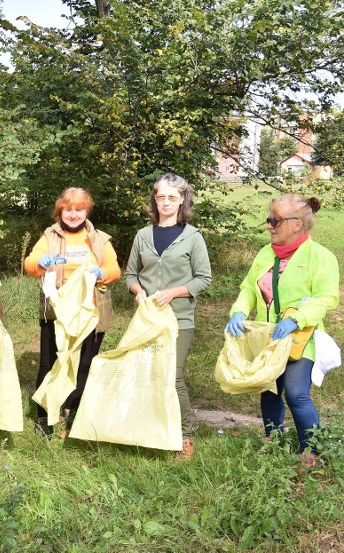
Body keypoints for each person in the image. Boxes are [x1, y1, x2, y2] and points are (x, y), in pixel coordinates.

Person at [225, 194, 339, 465]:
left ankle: (310, 451)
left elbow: (327, 298)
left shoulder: (321, 257)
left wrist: (297, 319)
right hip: (269, 337)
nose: (270, 226)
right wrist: (239, 310)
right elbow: (248, 288)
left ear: (297, 224)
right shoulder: (265, 253)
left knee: (296, 393)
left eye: (275, 220)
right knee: (269, 390)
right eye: (269, 219)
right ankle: (272, 440)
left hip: (301, 338)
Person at [125, 173, 212, 460]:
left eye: (172, 197)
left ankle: (184, 437)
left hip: (180, 319)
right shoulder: (143, 235)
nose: (165, 202)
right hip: (148, 319)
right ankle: (149, 431)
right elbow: (130, 274)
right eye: (161, 196)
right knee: (145, 375)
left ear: (182, 200)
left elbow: (204, 278)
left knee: (173, 377)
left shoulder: (193, 237)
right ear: (154, 199)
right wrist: (138, 291)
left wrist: (174, 292)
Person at [23, 188, 121, 439]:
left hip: (89, 313)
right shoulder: (49, 236)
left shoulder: (99, 239)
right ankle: (44, 417)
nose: (74, 214)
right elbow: (30, 264)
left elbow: (114, 269)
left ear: (87, 211)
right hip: (56, 313)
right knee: (49, 364)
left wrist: (103, 273)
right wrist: (41, 262)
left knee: (85, 365)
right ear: (61, 211)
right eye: (69, 209)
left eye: (79, 209)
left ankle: (72, 410)